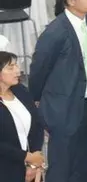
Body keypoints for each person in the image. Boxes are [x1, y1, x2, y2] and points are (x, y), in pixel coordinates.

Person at [30, 0, 87, 182]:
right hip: (63, 108)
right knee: (62, 168)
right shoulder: (55, 32)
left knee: (82, 165)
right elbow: (39, 69)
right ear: (71, 1)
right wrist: (37, 100)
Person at [0, 51, 45, 182]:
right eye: (11, 68)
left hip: (30, 165)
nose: (17, 71)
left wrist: (33, 161)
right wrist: (26, 157)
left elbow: (37, 124)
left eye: (16, 65)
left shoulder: (21, 91)